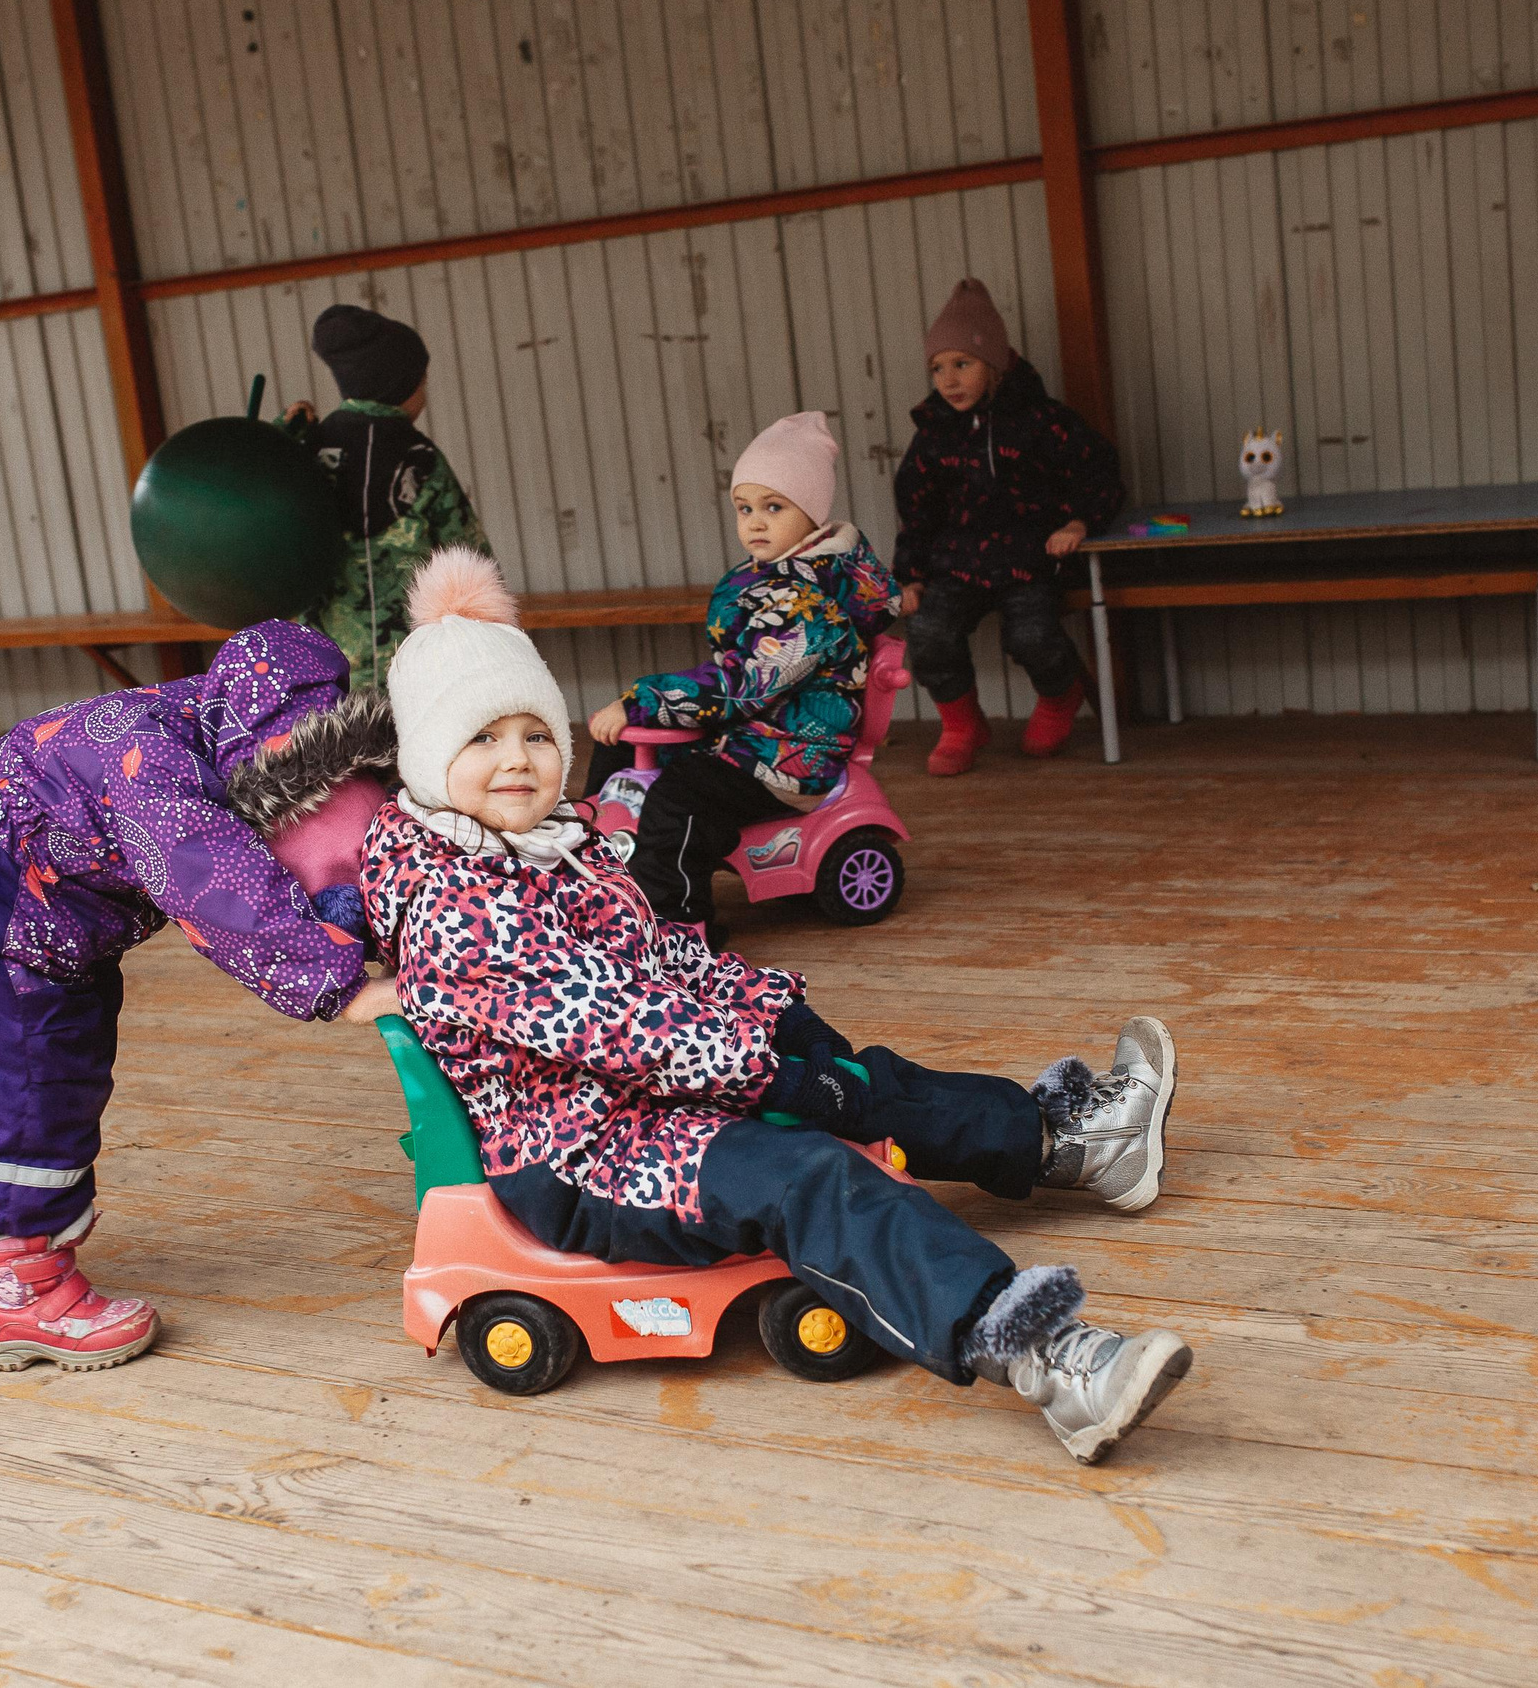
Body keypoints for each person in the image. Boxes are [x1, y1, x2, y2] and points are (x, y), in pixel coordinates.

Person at [360, 549, 1194, 1464]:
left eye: (536, 734)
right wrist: (773, 1067)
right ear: (432, 759)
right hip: (584, 1156)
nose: (517, 760)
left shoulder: (556, 847)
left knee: (864, 1080)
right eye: (482, 740)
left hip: (652, 1104)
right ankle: (1043, 1356)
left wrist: (773, 1011)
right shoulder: (458, 906)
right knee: (814, 1175)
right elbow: (619, 1027)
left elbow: (659, 957)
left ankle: (1069, 1143)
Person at [0, 622, 400, 1373]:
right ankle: (23, 1289)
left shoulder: (225, 726)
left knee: (28, 1072)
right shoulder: (163, 776)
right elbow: (225, 890)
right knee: (44, 1085)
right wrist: (342, 983)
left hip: (52, 909)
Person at [582, 411, 898, 938]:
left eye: (773, 507)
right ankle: (592, 866)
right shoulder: (765, 579)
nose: (754, 521)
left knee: (679, 798)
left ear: (813, 516)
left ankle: (680, 921)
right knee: (618, 750)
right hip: (750, 735)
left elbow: (743, 686)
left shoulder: (804, 604)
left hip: (789, 753)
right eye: (744, 507)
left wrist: (646, 700)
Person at [892, 278, 1124, 774]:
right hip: (957, 563)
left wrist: (1079, 521)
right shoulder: (933, 435)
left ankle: (1061, 696)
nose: (949, 380)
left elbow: (1098, 469)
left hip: (1028, 558)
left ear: (996, 364)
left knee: (1033, 634)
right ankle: (962, 724)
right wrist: (911, 574)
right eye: (938, 368)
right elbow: (915, 506)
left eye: (963, 364)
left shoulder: (1042, 421)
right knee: (930, 632)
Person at [278, 303, 493, 690]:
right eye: (422, 381)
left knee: (336, 748)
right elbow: (469, 560)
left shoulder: (308, 451)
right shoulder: (420, 459)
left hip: (325, 666)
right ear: (399, 383)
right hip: (414, 667)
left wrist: (284, 431)